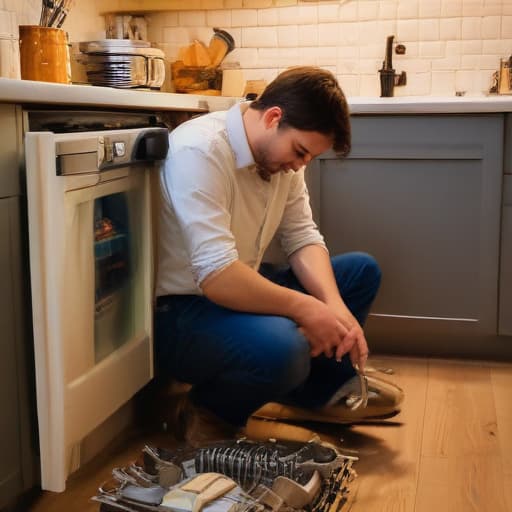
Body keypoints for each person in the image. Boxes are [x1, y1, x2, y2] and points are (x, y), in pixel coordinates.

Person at [154, 66, 403, 446]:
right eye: (300, 152)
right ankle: (206, 411)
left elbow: (302, 236)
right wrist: (307, 309)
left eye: (308, 158)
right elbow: (218, 276)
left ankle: (311, 390)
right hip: (184, 310)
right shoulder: (200, 150)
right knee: (283, 348)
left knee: (360, 272)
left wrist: (333, 306)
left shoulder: (281, 158)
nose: (299, 165)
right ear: (273, 118)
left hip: (240, 287)